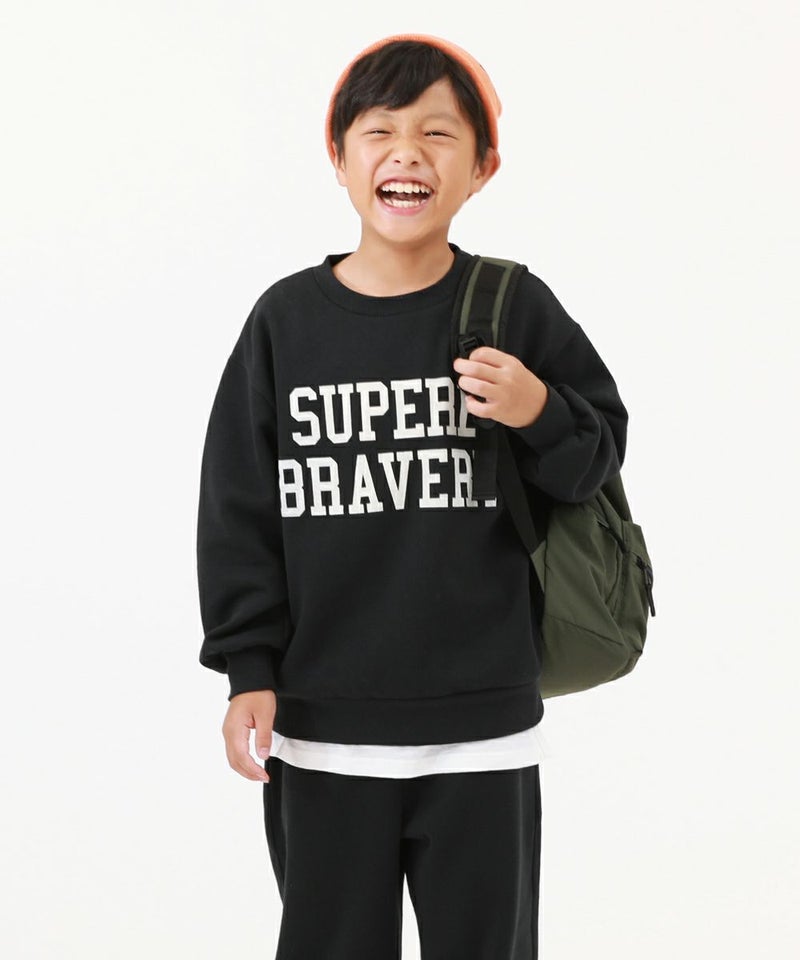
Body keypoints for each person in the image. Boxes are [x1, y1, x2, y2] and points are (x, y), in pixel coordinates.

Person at [196, 33, 628, 959]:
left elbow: (595, 462)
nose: (407, 153)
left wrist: (539, 410)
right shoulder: (286, 322)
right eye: (380, 131)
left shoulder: (513, 306)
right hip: (324, 725)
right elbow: (238, 510)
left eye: (437, 134)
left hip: (483, 727)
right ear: (339, 158)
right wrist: (247, 669)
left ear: (482, 167)